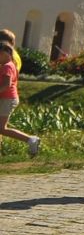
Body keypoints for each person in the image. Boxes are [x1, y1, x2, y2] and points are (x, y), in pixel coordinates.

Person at [0, 29, 40, 157]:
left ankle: (30, 140)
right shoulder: (10, 63)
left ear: (4, 53)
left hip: (7, 98)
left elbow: (6, 85)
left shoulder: (7, 66)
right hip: (6, 98)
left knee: (2, 128)